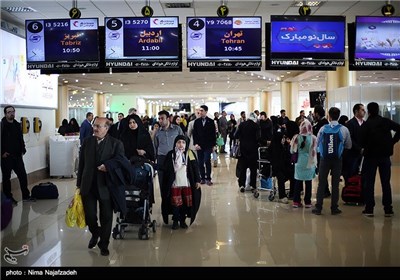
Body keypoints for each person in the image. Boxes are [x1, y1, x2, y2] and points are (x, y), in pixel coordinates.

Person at [76, 117, 125, 256]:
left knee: (106, 216)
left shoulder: (116, 144)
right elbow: (82, 164)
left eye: (99, 126)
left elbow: (120, 162)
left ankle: (104, 243)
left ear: (107, 128)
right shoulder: (87, 142)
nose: (95, 128)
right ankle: (95, 232)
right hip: (88, 185)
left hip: (106, 185)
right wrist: (79, 184)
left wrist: (108, 166)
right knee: (90, 215)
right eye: (94, 125)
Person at [360, 102, 400, 217]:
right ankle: (388, 209)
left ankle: (369, 209)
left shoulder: (366, 125)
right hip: (384, 157)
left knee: (369, 183)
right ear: (378, 110)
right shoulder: (385, 122)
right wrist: (392, 142)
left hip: (370, 157)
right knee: (386, 182)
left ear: (369, 111)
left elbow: (361, 141)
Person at [312, 107, 352, 215]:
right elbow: (349, 145)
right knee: (335, 184)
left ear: (329, 116)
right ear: (338, 116)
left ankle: (318, 207)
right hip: (337, 159)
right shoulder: (344, 129)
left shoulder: (323, 128)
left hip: (324, 159)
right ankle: (334, 208)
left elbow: (317, 144)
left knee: (321, 183)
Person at [162, 135, 202, 229]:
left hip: (187, 183)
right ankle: (175, 220)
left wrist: (198, 180)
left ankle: (182, 220)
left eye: (183, 142)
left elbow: (195, 167)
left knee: (185, 203)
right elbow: (166, 169)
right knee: (176, 203)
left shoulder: (190, 153)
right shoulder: (170, 154)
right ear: (175, 143)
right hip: (174, 183)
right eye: (179, 142)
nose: (181, 145)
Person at [1, 106, 36, 205]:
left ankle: (26, 195)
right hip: (6, 157)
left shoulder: (17, 125)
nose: (11, 113)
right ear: (5, 114)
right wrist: (2, 152)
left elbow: (20, 139)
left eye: (13, 111)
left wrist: (23, 149)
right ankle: (8, 198)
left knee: (23, 176)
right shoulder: (2, 125)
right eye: (9, 112)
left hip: (17, 156)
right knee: (6, 178)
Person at [290, 119, 317, 208]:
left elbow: (291, 150)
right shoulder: (313, 138)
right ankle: (308, 202)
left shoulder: (296, 137)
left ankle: (296, 201)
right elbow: (316, 150)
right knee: (308, 182)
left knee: (298, 181)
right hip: (309, 162)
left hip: (299, 161)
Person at [235, 112, 260, 192]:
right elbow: (258, 138)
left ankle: (242, 185)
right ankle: (253, 185)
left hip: (243, 150)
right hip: (253, 150)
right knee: (253, 169)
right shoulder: (256, 126)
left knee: (243, 168)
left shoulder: (242, 125)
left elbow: (236, 135)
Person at [193, 105, 217, 186]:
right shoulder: (196, 122)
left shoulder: (211, 121)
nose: (200, 112)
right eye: (199, 110)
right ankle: (202, 178)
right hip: (199, 145)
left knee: (207, 160)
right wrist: (196, 144)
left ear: (206, 112)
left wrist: (214, 145)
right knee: (200, 162)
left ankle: (208, 178)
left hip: (208, 145)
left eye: (202, 110)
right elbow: (194, 134)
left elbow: (213, 134)